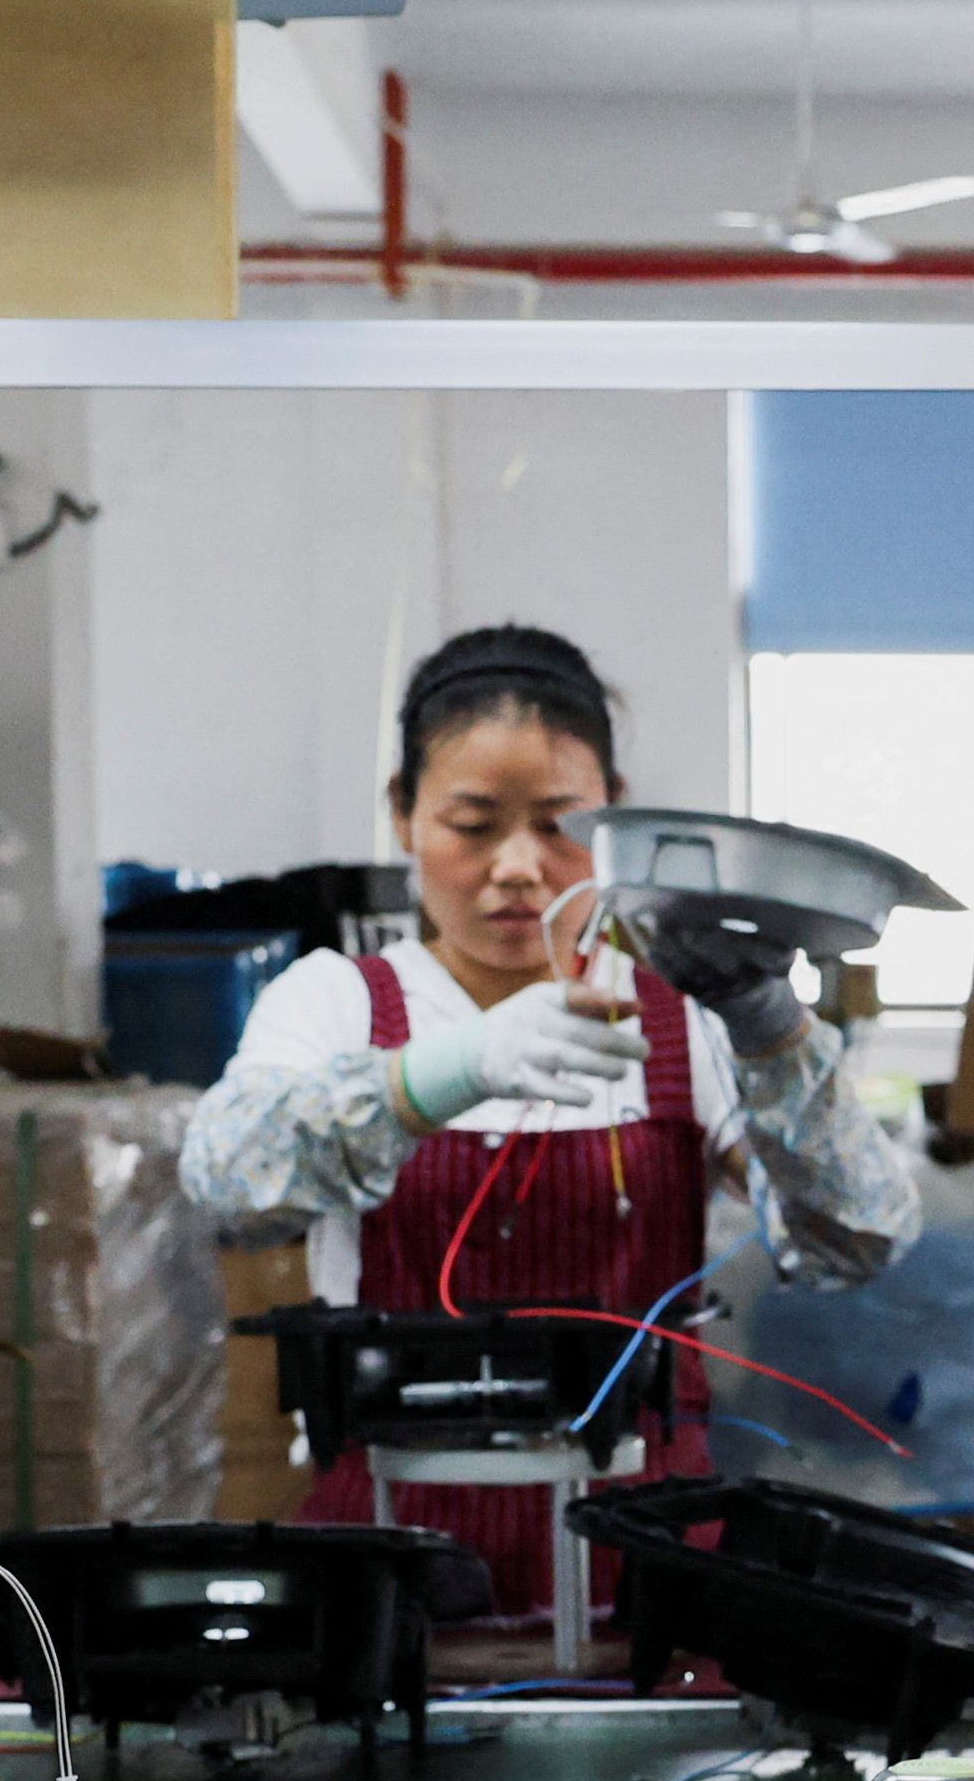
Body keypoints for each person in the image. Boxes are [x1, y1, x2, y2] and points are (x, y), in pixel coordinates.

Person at [178, 624, 915, 1613]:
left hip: (646, 1564)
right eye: (473, 823)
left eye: (559, 824)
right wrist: (442, 1072)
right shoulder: (335, 1006)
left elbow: (853, 1241)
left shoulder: (685, 1017)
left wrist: (770, 1026)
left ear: (615, 819)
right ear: (402, 815)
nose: (519, 865)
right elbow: (228, 1180)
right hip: (399, 1564)